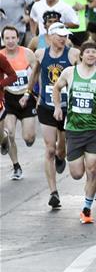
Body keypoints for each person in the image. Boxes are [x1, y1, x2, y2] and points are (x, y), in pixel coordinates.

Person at [51, 41, 96, 224]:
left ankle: (87, 208)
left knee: (93, 167)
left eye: (93, 52)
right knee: (77, 173)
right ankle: (85, 187)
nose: (91, 55)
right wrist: (57, 106)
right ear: (81, 55)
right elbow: (56, 88)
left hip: (95, 129)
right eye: (87, 52)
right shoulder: (69, 73)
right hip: (73, 129)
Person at [29, 23, 79, 208]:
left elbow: (82, 74)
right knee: (49, 149)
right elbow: (35, 73)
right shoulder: (41, 54)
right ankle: (53, 192)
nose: (63, 39)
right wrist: (29, 93)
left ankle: (61, 156)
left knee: (61, 150)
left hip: (67, 107)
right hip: (46, 106)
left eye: (66, 36)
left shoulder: (73, 54)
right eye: (60, 36)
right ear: (50, 36)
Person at [1, 26, 37, 180]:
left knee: (29, 138)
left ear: (18, 38)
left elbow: (36, 75)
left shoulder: (28, 54)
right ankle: (16, 166)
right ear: (3, 40)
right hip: (8, 99)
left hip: (26, 98)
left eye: (13, 38)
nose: (10, 41)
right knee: (9, 134)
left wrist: (32, 93)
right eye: (7, 38)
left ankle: (25, 139)